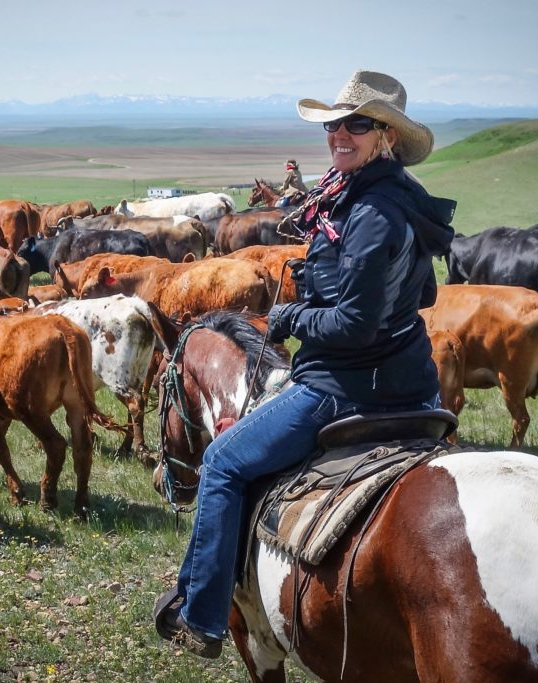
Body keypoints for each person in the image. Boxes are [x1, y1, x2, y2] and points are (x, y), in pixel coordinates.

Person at [154, 70, 456, 658]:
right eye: (334, 124)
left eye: (357, 124)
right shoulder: (392, 201)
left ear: (386, 137)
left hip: (345, 386)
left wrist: (294, 320)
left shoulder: (369, 213)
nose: (340, 134)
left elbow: (353, 326)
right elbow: (422, 298)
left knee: (220, 461)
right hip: (413, 387)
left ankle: (204, 616)